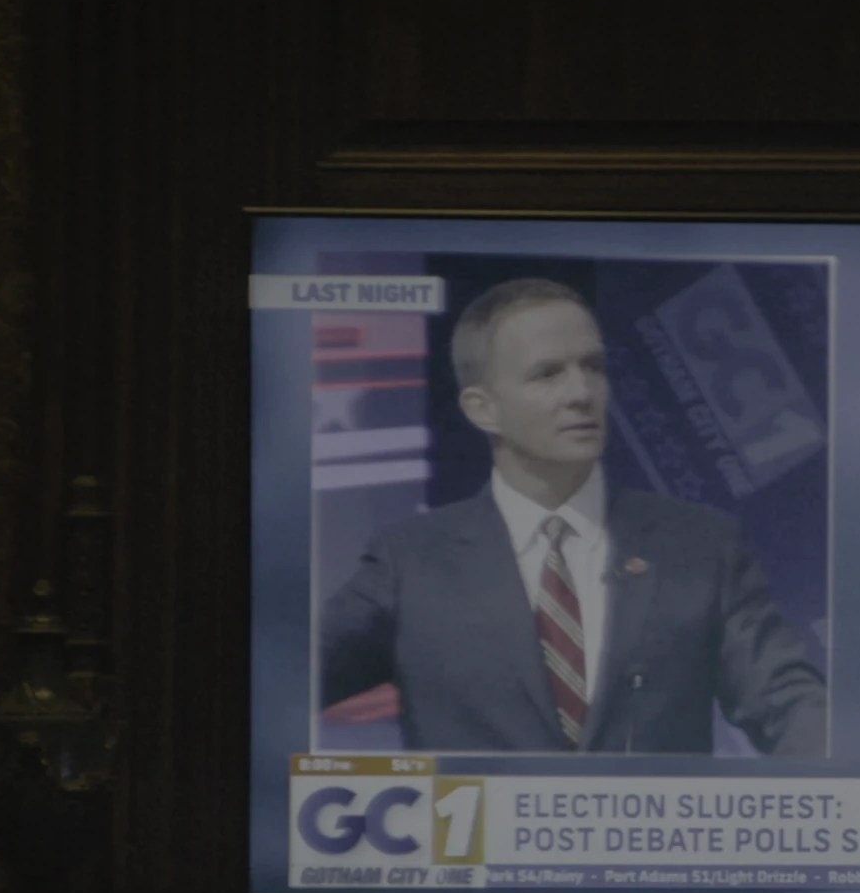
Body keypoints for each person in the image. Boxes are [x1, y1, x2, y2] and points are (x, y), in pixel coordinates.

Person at [319, 276, 828, 755]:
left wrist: (853, 788)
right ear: (482, 408)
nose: (582, 393)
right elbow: (286, 679)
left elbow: (787, 702)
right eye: (548, 374)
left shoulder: (700, 546)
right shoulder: (411, 561)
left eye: (594, 367)